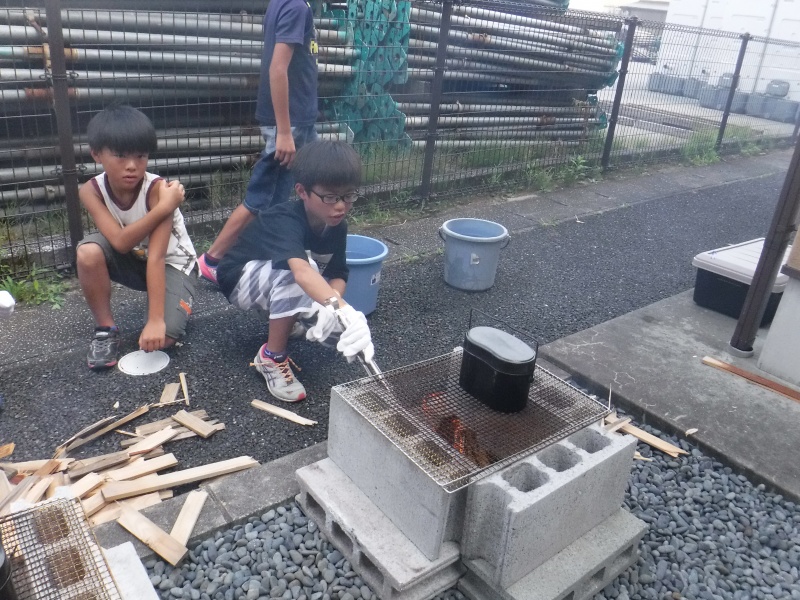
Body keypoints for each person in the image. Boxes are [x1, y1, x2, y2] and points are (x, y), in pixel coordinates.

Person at [217, 140, 374, 403]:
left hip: (275, 278)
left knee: (327, 311)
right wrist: (343, 309)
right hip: (238, 279)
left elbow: (338, 273)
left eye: (348, 196)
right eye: (330, 197)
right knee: (303, 273)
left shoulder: (337, 226)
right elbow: (301, 272)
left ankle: (285, 322)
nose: (340, 206)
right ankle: (271, 357)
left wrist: (332, 306)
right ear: (302, 191)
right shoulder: (284, 219)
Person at [197, 0, 319, 284]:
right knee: (262, 196)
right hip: (290, 124)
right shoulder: (295, 7)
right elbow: (277, 69)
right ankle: (212, 260)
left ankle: (279, 254)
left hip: (296, 121)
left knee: (285, 195)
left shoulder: (285, 4)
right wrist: (284, 131)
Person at [76, 105, 197, 370]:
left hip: (173, 265)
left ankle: (174, 298)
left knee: (164, 337)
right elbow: (120, 243)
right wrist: (166, 207)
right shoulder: (91, 191)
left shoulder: (158, 190)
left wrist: (155, 321)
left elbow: (158, 256)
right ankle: (105, 330)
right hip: (133, 257)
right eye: (120, 155)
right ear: (96, 154)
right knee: (88, 251)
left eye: (140, 156)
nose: (131, 166)